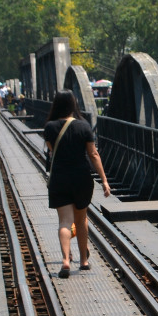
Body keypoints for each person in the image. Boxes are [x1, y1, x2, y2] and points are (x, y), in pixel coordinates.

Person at [43, 90, 110, 277]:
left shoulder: (49, 127)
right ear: (74, 104)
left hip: (60, 178)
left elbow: (52, 151)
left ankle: (65, 260)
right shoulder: (84, 126)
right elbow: (93, 154)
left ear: (56, 104)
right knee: (81, 220)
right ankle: (84, 260)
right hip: (81, 177)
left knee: (65, 221)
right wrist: (104, 180)